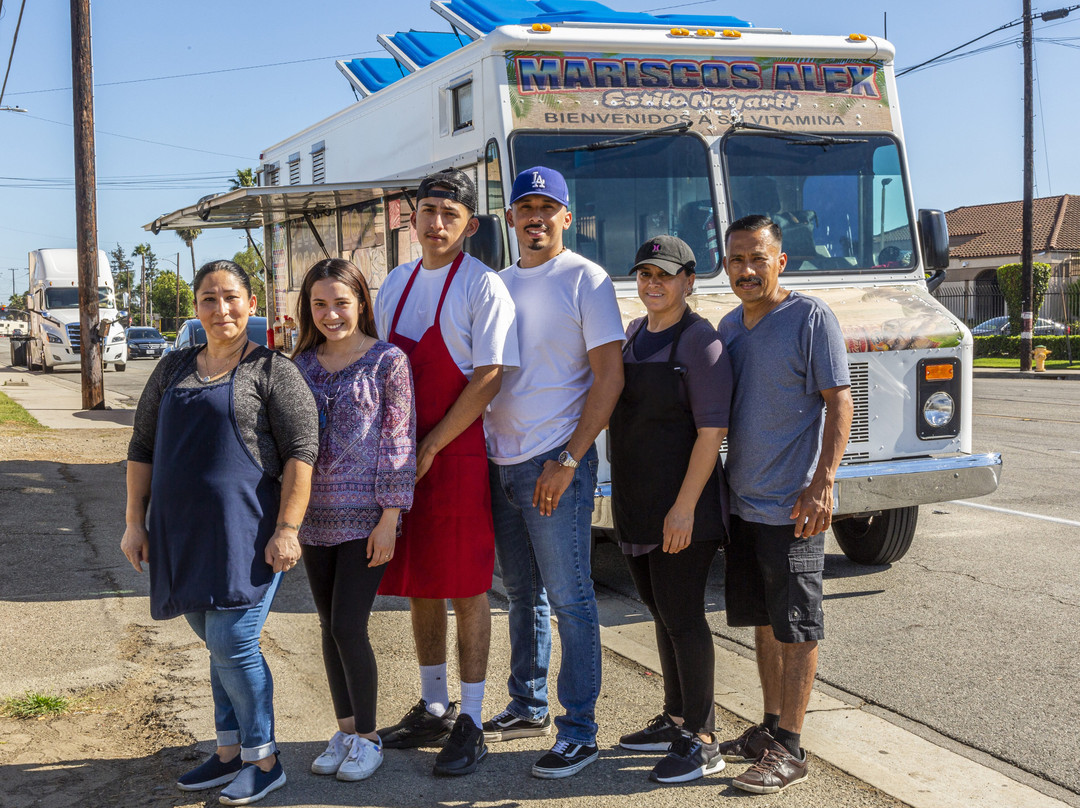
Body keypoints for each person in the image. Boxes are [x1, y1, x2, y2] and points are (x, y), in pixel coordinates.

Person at [121, 260, 318, 806]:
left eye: (231, 297)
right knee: (215, 641)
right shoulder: (172, 369)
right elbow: (141, 448)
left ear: (251, 304)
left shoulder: (274, 370)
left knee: (233, 639)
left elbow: (303, 453)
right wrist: (135, 523)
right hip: (179, 532)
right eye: (209, 298)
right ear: (196, 307)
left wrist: (288, 529)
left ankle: (265, 758)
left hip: (248, 533)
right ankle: (228, 750)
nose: (221, 308)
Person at [372, 169, 519, 776]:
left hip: (454, 454)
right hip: (401, 455)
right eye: (428, 211)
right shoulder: (395, 284)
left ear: (469, 225)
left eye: (449, 215)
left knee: (465, 585)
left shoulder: (484, 288)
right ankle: (434, 705)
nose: (436, 224)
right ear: (412, 215)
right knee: (419, 582)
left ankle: (474, 719)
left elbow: (490, 375)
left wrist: (430, 444)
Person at [484, 166, 625, 779]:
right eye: (525, 207)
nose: (535, 216)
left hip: (553, 464)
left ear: (567, 217)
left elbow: (610, 377)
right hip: (500, 461)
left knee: (570, 599)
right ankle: (527, 703)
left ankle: (580, 730)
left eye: (548, 207)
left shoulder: (586, 280)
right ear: (511, 218)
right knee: (521, 595)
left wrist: (568, 460)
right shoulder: (497, 283)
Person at [716, 215, 853, 794]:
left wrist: (822, 483)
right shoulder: (729, 325)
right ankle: (770, 727)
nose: (746, 270)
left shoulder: (810, 318)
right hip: (743, 504)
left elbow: (840, 404)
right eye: (736, 260)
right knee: (766, 622)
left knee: (797, 626)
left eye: (757, 258)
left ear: (781, 261)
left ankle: (792, 748)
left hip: (794, 506)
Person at [609, 235, 732, 784]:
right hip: (638, 503)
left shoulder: (698, 340)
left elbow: (712, 433)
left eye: (664, 274)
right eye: (644, 274)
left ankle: (704, 740)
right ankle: (677, 716)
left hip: (683, 507)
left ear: (689, 280)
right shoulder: (634, 333)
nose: (652, 283)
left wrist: (684, 510)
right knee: (660, 613)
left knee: (683, 618)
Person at [292, 258, 416, 782]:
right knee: (327, 625)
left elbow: (398, 439)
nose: (331, 314)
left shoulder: (389, 362)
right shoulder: (299, 364)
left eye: (341, 302)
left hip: (367, 518)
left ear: (361, 303)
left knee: (348, 624)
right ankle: (344, 729)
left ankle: (368, 737)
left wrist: (391, 516)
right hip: (312, 517)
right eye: (320, 304)